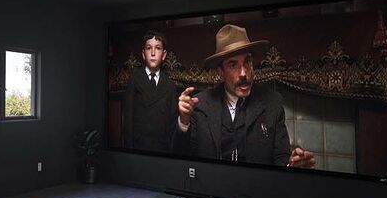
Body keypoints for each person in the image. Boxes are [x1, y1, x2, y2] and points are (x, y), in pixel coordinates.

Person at [174, 24, 316, 168]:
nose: (243, 73)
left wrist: (293, 168)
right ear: (221, 72)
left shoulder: (272, 103)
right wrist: (184, 122)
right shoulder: (200, 105)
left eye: (247, 61)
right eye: (233, 65)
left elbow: (281, 158)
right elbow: (183, 159)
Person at [122, 31, 177, 152]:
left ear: (163, 55)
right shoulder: (134, 81)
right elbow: (128, 120)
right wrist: (129, 151)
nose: (153, 53)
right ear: (143, 54)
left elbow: (173, 122)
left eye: (157, 48)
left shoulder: (170, 85)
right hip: (139, 147)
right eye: (148, 48)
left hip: (163, 149)